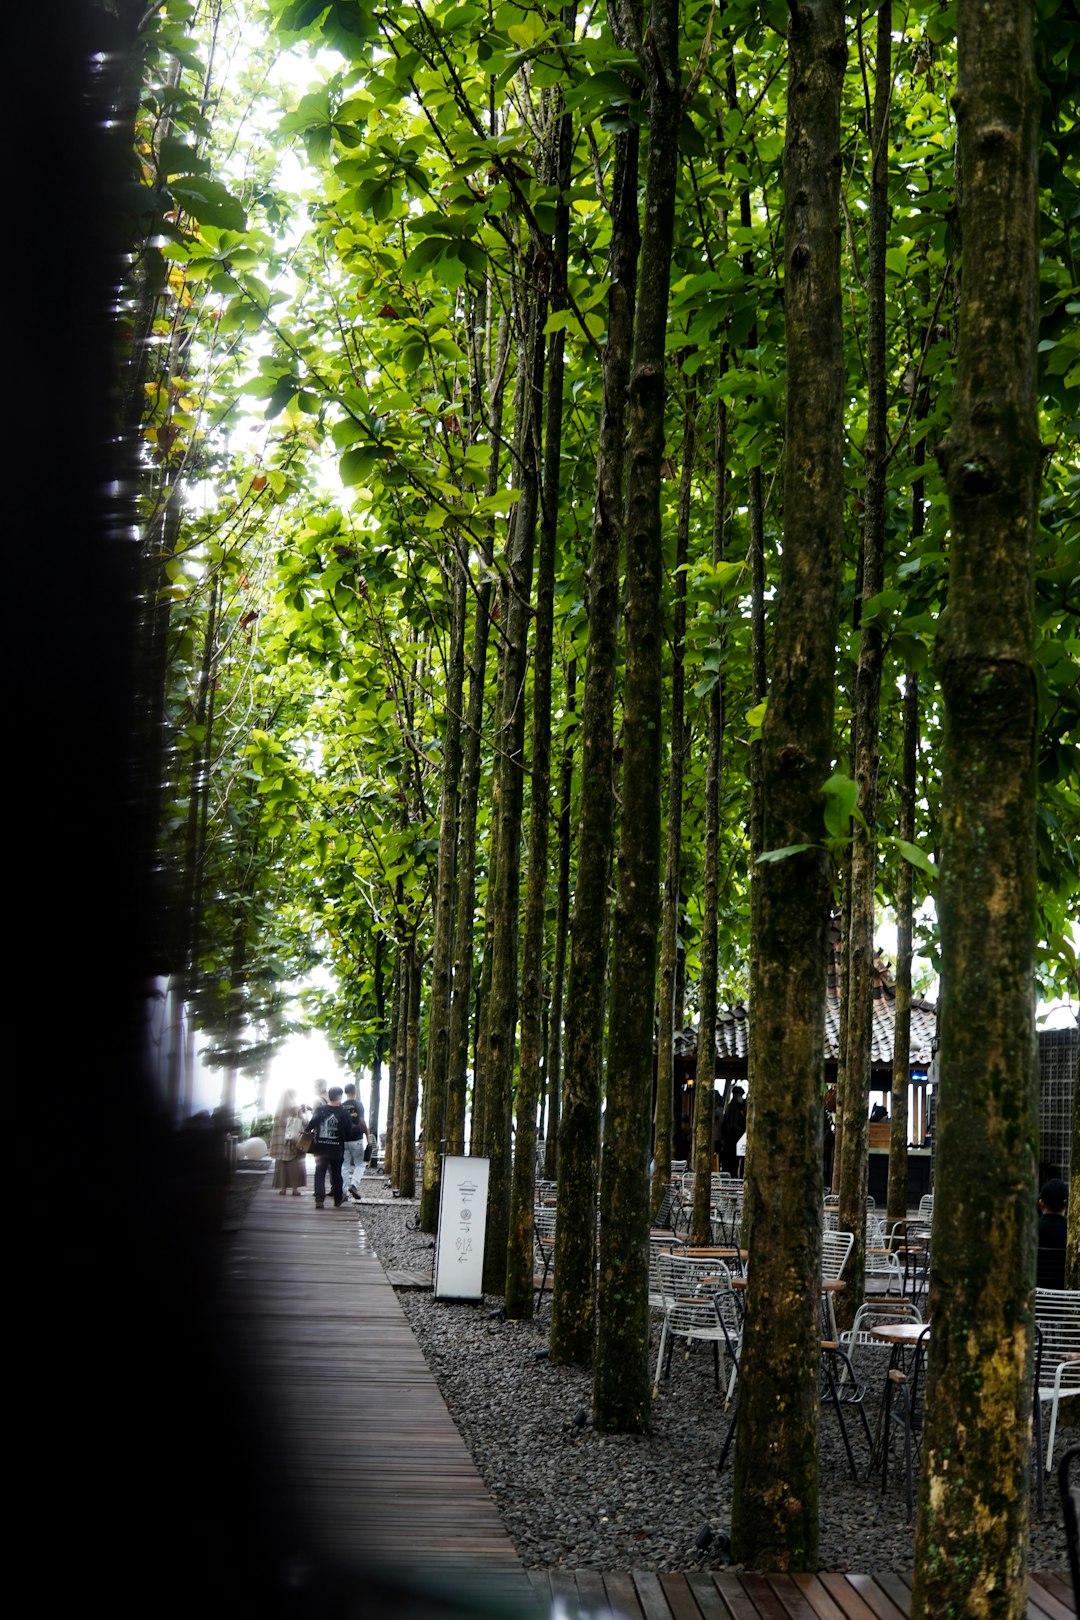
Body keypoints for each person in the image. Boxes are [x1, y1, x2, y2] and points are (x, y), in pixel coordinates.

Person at [307, 1085, 357, 1209]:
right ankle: (337, 1199)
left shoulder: (320, 1110)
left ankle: (319, 1200)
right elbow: (349, 1133)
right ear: (340, 1097)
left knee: (320, 1173)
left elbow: (310, 1126)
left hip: (321, 1148)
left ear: (329, 1096)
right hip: (337, 1149)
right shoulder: (344, 1113)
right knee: (336, 1174)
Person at [269, 1088, 306, 1197]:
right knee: (294, 1164)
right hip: (292, 1140)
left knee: (282, 1165)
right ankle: (294, 1190)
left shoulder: (279, 1109)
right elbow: (302, 1121)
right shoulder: (294, 1107)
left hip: (281, 1142)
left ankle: (283, 1189)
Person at [341, 1082, 371, 1201]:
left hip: (344, 1140)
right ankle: (354, 1185)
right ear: (355, 1092)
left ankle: (344, 1191)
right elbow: (362, 1122)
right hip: (356, 1139)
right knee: (360, 1164)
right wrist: (368, 1136)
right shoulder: (358, 1104)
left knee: (344, 1166)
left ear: (345, 1092)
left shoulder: (341, 1106)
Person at [1036, 1177, 1068, 1289]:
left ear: (1041, 1204)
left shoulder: (1030, 1230)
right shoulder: (1073, 1235)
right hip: (1064, 1301)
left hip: (1034, 1299)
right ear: (1067, 1206)